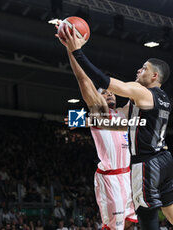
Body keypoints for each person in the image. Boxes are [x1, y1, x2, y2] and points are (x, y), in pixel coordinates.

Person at [56, 24, 173, 230]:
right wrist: (84, 120)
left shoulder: (139, 94)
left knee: (148, 220)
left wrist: (77, 50)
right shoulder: (161, 99)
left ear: (155, 76)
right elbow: (118, 120)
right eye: (105, 93)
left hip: (145, 165)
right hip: (158, 162)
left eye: (144, 68)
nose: (139, 70)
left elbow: (106, 84)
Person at [62, 37, 138, 229]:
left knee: (130, 224)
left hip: (129, 176)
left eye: (111, 92)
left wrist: (144, 76)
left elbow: (138, 95)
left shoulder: (122, 113)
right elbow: (83, 80)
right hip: (110, 179)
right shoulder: (99, 112)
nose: (109, 93)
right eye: (104, 92)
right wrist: (72, 50)